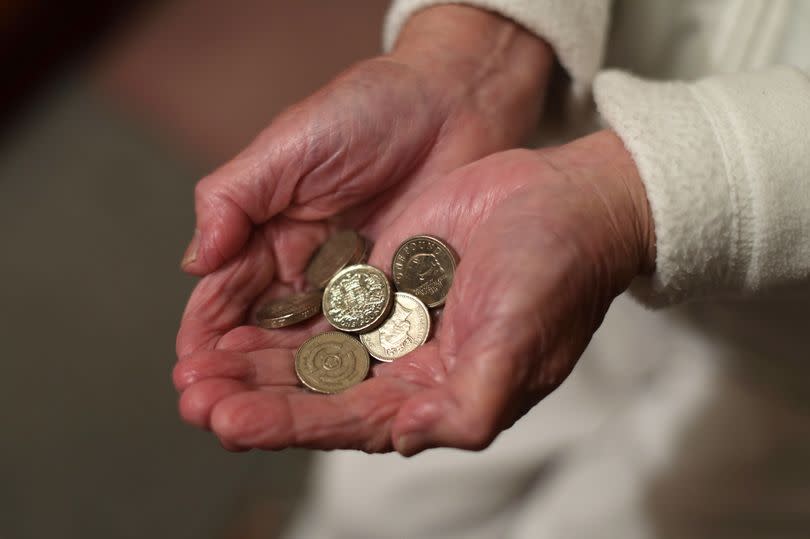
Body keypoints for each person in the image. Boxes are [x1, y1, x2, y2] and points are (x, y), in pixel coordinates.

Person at [173, 1, 810, 537]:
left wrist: (637, 196)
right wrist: (477, 46)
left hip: (789, 359)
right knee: (376, 505)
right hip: (544, 200)